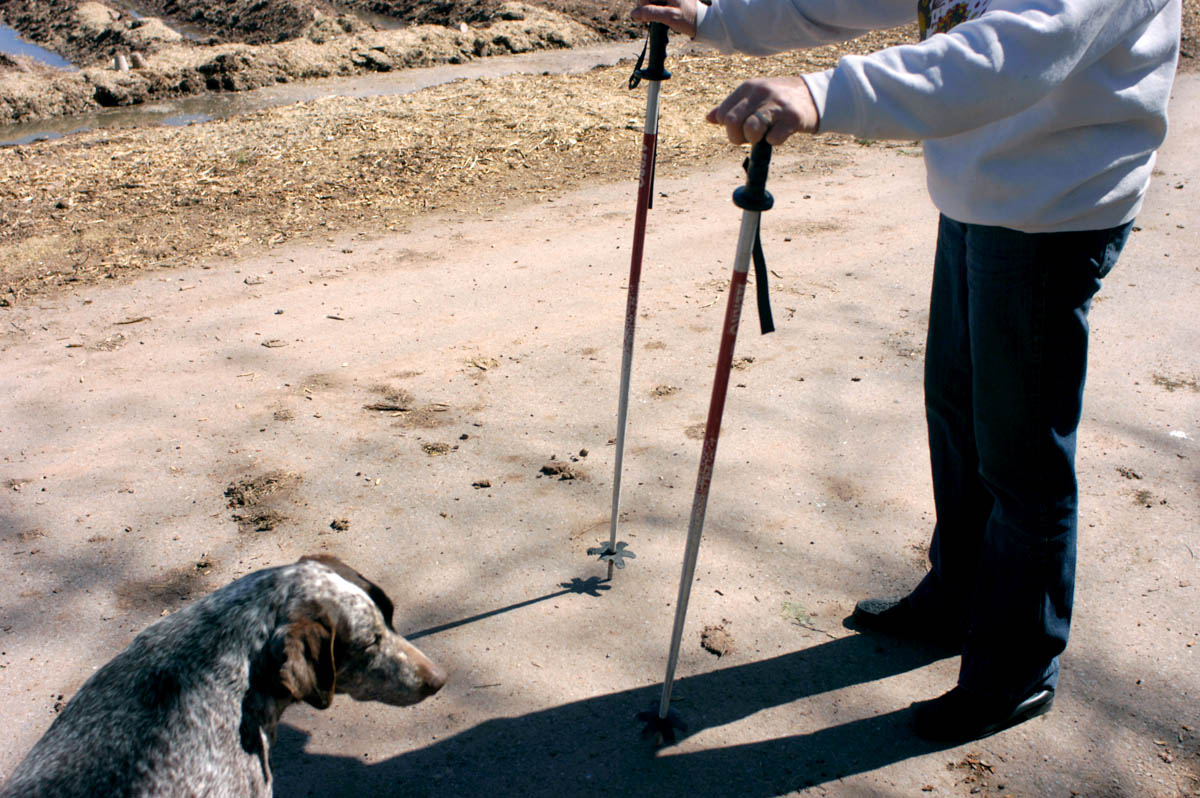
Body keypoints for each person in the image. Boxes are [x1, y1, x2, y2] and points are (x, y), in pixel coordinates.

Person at [630, 0, 1181, 742]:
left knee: (1019, 456)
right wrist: (718, 18)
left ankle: (1017, 668)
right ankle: (961, 593)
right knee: (956, 409)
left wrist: (823, 94)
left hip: (1055, 206)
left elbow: (1016, 53)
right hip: (977, 190)